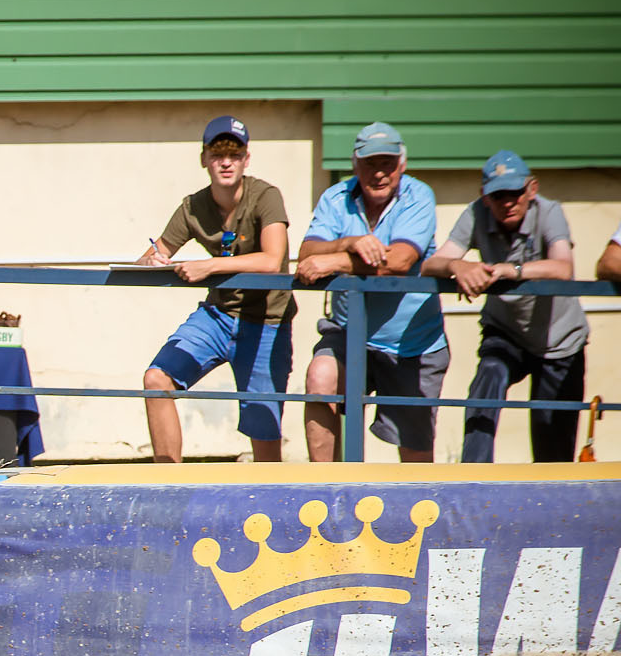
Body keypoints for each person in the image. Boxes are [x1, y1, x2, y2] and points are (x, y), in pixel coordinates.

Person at [135, 115, 294, 462]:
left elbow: (272, 260)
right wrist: (152, 261)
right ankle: (168, 491)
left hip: (267, 321)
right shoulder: (193, 205)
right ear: (203, 158)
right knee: (156, 379)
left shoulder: (266, 196)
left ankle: (267, 503)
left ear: (246, 159)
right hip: (218, 315)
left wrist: (210, 266)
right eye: (218, 153)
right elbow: (155, 252)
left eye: (234, 154)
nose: (226, 161)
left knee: (263, 428)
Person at [295, 122, 445, 463]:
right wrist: (350, 243)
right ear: (354, 164)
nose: (379, 173)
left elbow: (400, 261)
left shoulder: (419, 195)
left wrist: (334, 260)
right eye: (370, 163)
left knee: (415, 458)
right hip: (349, 333)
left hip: (411, 342)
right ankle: (325, 494)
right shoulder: (335, 197)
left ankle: (416, 511)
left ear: (402, 165)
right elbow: (306, 254)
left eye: (387, 163)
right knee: (320, 378)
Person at [423, 151, 587, 464]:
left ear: (532, 189)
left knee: (552, 442)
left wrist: (511, 270)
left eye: (515, 193)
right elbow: (432, 263)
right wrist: (458, 265)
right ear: (484, 197)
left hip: (561, 341)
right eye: (498, 195)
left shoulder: (550, 211)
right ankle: (474, 477)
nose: (507, 202)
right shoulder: (475, 213)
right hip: (506, 331)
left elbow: (563, 267)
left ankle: (552, 499)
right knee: (488, 378)